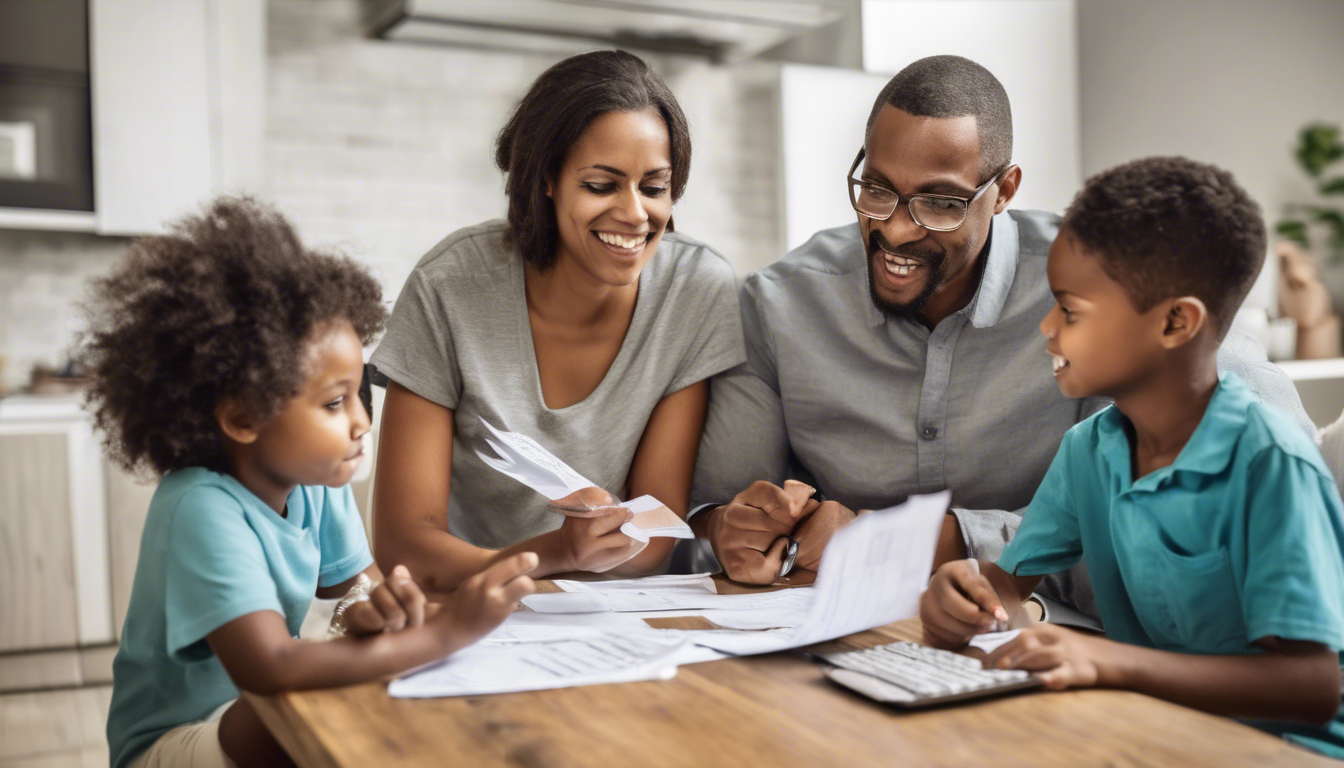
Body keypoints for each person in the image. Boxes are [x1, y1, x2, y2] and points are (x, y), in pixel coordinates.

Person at [690, 56, 1312, 615]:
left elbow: (1259, 506)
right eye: (876, 190)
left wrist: (933, 542)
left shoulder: (1107, 285)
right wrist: (733, 528)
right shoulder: (777, 304)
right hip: (864, 640)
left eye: (939, 203)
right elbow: (713, 514)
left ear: (1004, 190)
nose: (897, 231)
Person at [919, 157, 1344, 758]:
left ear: (1175, 323)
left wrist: (1108, 660)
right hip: (1154, 739)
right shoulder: (1090, 450)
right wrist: (962, 599)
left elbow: (1311, 687)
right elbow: (1006, 590)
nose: (1047, 328)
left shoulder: (1272, 466)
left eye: (1069, 310)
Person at [91, 199, 538, 768]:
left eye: (359, 393)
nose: (362, 421)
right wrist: (444, 634)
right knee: (316, 701)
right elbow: (271, 668)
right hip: (174, 742)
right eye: (334, 402)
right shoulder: (199, 507)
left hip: (248, 714)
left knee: (367, 691)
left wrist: (376, 609)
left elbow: (357, 584)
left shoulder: (316, 483)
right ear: (244, 417)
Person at [371, 50, 744, 592]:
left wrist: (588, 549)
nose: (636, 214)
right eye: (601, 185)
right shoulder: (449, 287)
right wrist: (553, 553)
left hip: (617, 616)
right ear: (547, 178)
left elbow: (657, 536)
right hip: (472, 608)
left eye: (654, 187)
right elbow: (404, 547)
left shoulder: (695, 292)